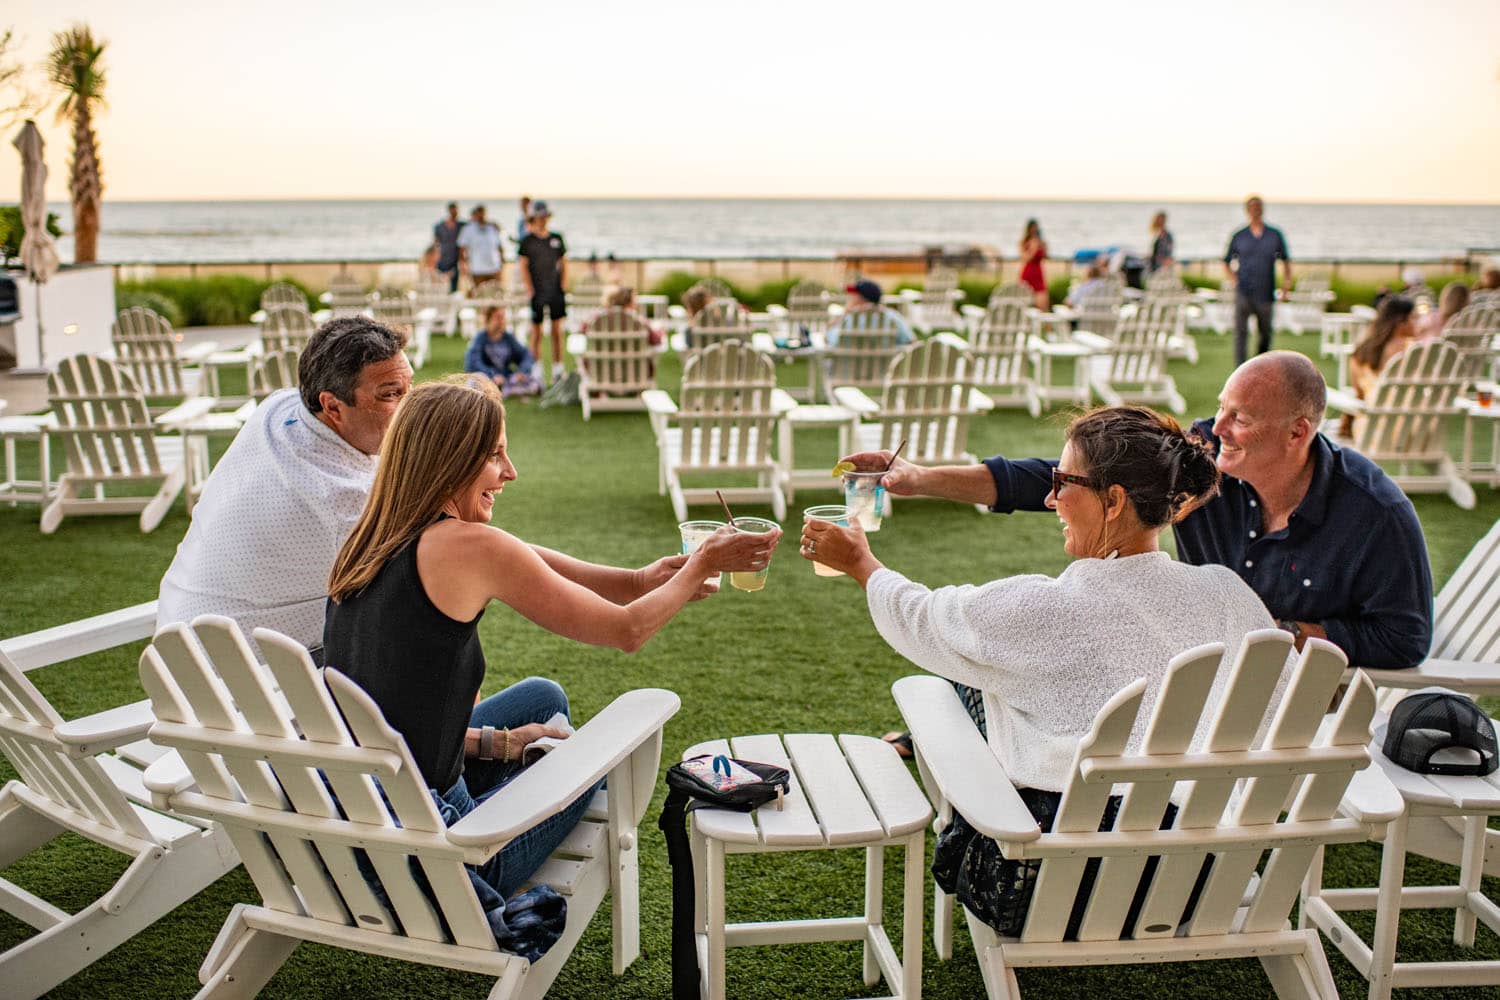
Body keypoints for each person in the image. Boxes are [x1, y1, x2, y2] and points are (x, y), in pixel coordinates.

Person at [322, 376, 780, 940]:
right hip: (449, 850)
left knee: (543, 698)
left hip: (371, 804)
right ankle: (514, 806)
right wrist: (699, 565)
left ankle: (511, 768)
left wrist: (646, 578)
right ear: (450, 460)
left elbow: (392, 715)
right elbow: (626, 631)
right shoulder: (470, 547)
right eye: (494, 456)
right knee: (600, 754)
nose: (510, 472)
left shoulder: (371, 536)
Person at [803, 406, 1281, 937]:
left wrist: (862, 565)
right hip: (1208, 875)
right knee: (1000, 668)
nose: (1050, 497)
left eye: (1061, 481)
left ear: (1115, 500)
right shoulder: (1228, 594)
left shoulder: (1044, 610)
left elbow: (920, 618)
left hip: (1053, 885)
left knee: (967, 675)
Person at [849, 350, 1433, 672]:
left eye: (1241, 419)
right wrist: (918, 478)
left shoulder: (1374, 515)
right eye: (1220, 409)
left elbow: (1404, 639)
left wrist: (1271, 636)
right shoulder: (1203, 464)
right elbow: (1062, 481)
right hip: (1190, 678)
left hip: (1282, 691)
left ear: (1298, 431)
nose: (1216, 430)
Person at [157, 317, 413, 656]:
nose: (411, 407)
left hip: (177, 654)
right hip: (249, 685)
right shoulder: (343, 503)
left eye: (410, 389)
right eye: (391, 395)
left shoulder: (277, 409)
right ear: (332, 406)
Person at [1224, 196, 1292, 365]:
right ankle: (1239, 371)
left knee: (1265, 333)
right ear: (1247, 210)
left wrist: (1286, 286)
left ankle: (1262, 367)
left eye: (1258, 207)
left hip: (1265, 291)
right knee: (1240, 334)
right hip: (1243, 292)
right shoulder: (1239, 236)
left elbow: (1286, 260)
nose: (1256, 210)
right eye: (1252, 207)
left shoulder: (1274, 235)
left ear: (1262, 209)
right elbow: (1226, 261)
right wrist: (1234, 280)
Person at [1342, 297, 1418, 439]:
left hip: (1370, 432)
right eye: (1414, 318)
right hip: (1413, 431)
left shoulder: (1360, 354)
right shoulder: (1415, 351)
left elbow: (1359, 395)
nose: (1418, 323)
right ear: (1401, 322)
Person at [518, 200, 568, 384]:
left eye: (544, 216)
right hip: (537, 292)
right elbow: (523, 266)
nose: (542, 220)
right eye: (539, 217)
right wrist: (529, 288)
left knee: (557, 331)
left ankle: (558, 369)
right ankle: (536, 370)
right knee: (536, 331)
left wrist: (563, 284)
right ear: (534, 218)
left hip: (555, 290)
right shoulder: (527, 241)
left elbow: (563, 262)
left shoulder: (556, 238)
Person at [464, 305, 543, 397]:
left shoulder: (508, 338)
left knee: (534, 372)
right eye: (498, 317)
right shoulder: (480, 338)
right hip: (488, 378)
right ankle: (509, 390)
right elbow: (473, 363)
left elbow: (526, 355)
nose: (502, 321)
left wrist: (521, 371)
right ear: (488, 320)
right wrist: (492, 375)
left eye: (503, 317)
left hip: (507, 379)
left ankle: (503, 391)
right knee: (475, 380)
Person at [825, 279, 914, 347]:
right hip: (885, 370)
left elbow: (830, 341)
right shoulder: (893, 317)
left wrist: (844, 313)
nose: (850, 298)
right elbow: (910, 341)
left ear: (861, 298)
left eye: (854, 295)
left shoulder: (849, 319)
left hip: (847, 370)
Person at [457, 204, 504, 289]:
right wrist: (462, 264)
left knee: (496, 293)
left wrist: (502, 263)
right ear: (475, 214)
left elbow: (499, 246)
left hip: (494, 267)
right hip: (477, 268)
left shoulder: (492, 228)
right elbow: (462, 248)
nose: (481, 215)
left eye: (483, 213)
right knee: (477, 292)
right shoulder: (468, 229)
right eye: (479, 213)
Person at [431, 202, 465, 293]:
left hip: (455, 263)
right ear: (449, 210)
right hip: (441, 261)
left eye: (456, 210)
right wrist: (434, 259)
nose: (454, 212)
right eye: (453, 210)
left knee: (454, 290)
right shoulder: (439, 227)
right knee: (439, 288)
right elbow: (435, 243)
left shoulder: (462, 226)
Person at [1018, 219, 1049, 311]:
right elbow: (1025, 259)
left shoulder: (1041, 242)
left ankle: (1045, 324)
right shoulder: (1024, 242)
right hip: (1028, 273)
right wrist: (1033, 248)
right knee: (1024, 304)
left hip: (1038, 274)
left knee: (1043, 305)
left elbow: (1045, 256)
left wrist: (1043, 247)